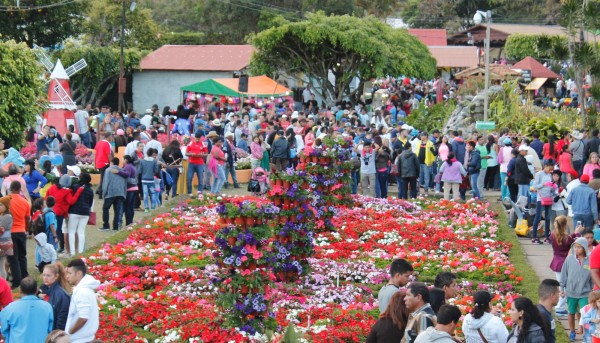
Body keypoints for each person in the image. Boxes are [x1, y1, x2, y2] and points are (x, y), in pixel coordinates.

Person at [0, 276, 53, 342]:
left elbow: (4, 330)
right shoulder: (47, 307)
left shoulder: (10, 308)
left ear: (20, 290)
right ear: (37, 290)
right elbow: (50, 329)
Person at [561, 237, 593, 340]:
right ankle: (572, 331)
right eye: (575, 247)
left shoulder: (589, 261)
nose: (577, 249)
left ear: (584, 248)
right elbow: (564, 274)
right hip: (571, 292)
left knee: (584, 312)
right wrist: (562, 288)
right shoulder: (569, 259)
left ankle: (583, 330)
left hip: (585, 292)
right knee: (571, 312)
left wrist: (592, 289)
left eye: (579, 247)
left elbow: (592, 276)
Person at [550, 215, 582, 317]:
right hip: (565, 264)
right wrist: (577, 232)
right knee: (564, 286)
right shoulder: (567, 238)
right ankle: (560, 308)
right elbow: (574, 242)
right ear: (565, 225)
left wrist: (573, 234)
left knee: (561, 284)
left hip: (556, 262)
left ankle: (559, 306)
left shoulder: (552, 235)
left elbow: (567, 239)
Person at [65, 259, 99, 343]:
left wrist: (70, 332)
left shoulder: (82, 292)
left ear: (79, 273)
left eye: (70, 273)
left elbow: (83, 317)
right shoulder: (82, 289)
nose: (67, 276)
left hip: (80, 339)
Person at [7, 181, 30, 288]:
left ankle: (17, 281)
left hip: (10, 232)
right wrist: (27, 229)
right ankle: (25, 275)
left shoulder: (5, 201)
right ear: (20, 189)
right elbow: (27, 218)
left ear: (10, 189)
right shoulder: (24, 201)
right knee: (22, 255)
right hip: (21, 231)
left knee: (13, 258)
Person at [66, 173, 94, 255]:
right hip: (85, 212)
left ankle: (72, 252)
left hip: (74, 211)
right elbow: (90, 202)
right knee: (81, 232)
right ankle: (81, 251)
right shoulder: (90, 190)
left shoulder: (75, 187)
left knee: (71, 231)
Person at [530, 162, 556, 244]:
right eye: (550, 169)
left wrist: (553, 187)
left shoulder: (549, 175)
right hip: (541, 198)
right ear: (545, 166)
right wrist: (543, 184)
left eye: (552, 169)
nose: (551, 171)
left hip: (548, 197)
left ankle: (547, 237)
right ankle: (534, 237)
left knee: (548, 217)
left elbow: (551, 186)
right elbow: (534, 186)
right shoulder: (539, 174)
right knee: (538, 217)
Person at [40, 263, 71, 331]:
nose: (45, 278)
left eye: (48, 275)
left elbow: (62, 318)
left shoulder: (61, 295)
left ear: (56, 276)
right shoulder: (41, 291)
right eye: (44, 275)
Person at [101, 158, 126, 231]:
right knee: (117, 210)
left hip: (110, 192)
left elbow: (106, 182)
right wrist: (124, 193)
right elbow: (125, 183)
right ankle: (115, 226)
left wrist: (104, 193)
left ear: (111, 162)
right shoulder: (122, 170)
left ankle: (106, 225)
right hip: (120, 193)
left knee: (105, 208)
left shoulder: (108, 170)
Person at [537, 279, 560, 343]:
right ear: (552, 296)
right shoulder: (541, 316)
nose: (559, 296)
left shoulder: (544, 312)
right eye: (558, 292)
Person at [94, 132, 113, 199]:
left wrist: (95, 163)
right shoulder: (107, 144)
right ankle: (100, 193)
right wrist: (111, 163)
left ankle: (98, 191)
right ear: (109, 137)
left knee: (102, 178)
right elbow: (109, 154)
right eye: (111, 136)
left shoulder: (99, 143)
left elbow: (95, 153)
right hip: (104, 163)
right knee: (104, 179)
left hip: (98, 162)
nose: (112, 138)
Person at [0, 196, 13, 280]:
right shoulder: (3, 215)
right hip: (3, 242)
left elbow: (1, 228)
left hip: (3, 243)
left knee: (1, 265)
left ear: (6, 206)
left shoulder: (7, 216)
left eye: (1, 205)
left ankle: (2, 284)